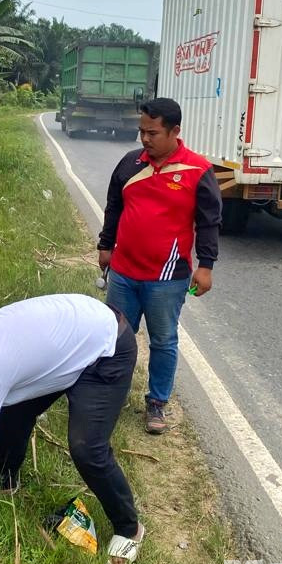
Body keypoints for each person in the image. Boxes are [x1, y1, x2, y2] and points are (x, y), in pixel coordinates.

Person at [0, 293, 145, 564]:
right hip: (79, 328)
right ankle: (2, 481)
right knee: (14, 408)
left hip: (107, 349)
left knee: (87, 447)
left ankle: (129, 529)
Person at [98, 97, 221, 434]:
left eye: (152, 133)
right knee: (114, 338)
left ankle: (156, 402)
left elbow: (209, 222)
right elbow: (113, 207)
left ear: (175, 131)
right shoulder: (130, 163)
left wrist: (206, 265)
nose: (145, 139)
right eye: (142, 131)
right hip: (123, 271)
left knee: (163, 341)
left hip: (167, 279)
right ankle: (110, 395)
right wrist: (105, 246)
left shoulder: (197, 170)